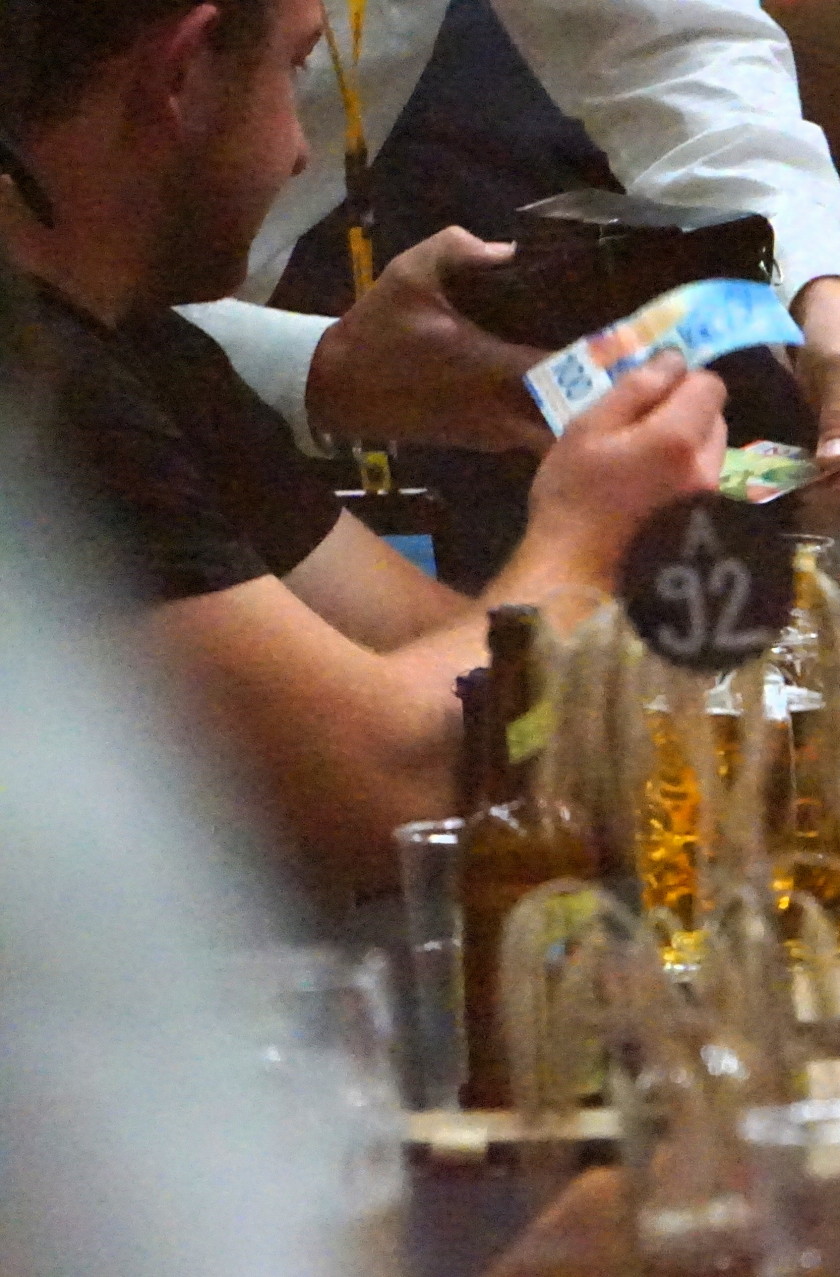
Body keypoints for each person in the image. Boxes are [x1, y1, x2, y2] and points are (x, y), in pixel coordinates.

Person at [0, 0, 726, 910]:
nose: (301, 154)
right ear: (180, 74)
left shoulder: (143, 348)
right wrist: (588, 538)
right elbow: (387, 785)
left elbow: (426, 642)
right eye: (296, 69)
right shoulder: (36, 388)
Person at [171, 0, 840, 464]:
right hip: (127, 385)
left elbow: (665, 35)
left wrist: (820, 281)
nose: (299, 152)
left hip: (197, 386)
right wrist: (317, 367)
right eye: (300, 60)